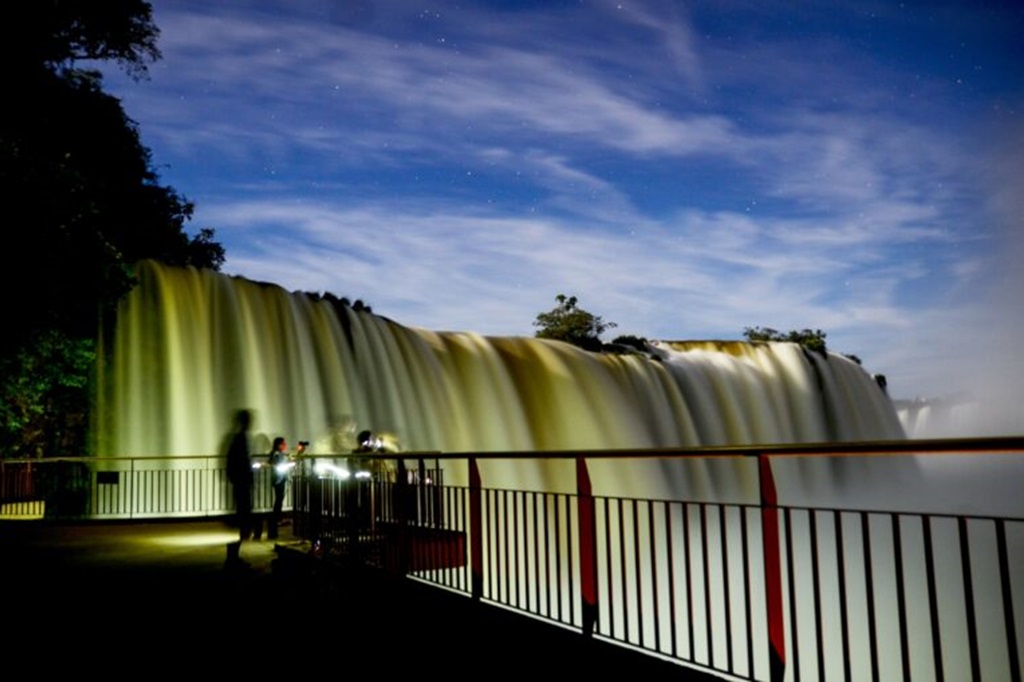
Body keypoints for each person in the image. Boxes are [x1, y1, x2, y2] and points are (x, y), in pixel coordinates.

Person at [225, 409, 256, 569]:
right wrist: (244, 478)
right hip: (242, 484)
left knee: (244, 520)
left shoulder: (238, 438)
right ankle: (232, 556)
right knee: (245, 520)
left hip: (240, 483)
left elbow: (232, 461)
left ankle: (233, 556)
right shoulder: (241, 439)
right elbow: (241, 462)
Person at [267, 436, 304, 539]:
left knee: (279, 499)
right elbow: (283, 463)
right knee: (279, 500)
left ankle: (276, 520)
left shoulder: (276, 454)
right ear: (278, 445)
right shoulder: (277, 454)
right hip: (279, 479)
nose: (285, 445)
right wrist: (294, 459)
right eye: (283, 444)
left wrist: (296, 455)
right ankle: (275, 520)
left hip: (279, 479)